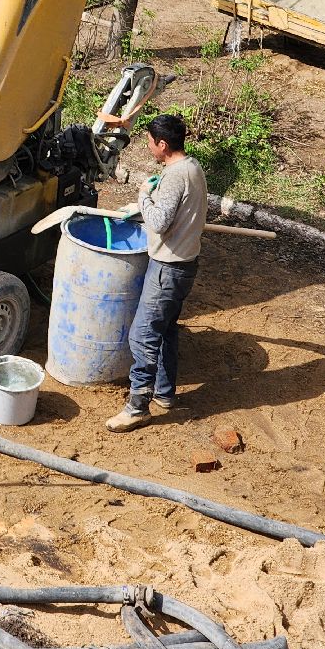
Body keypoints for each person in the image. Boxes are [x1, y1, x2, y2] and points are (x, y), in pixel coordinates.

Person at [106, 113, 207, 432]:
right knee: (165, 329)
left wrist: (143, 198)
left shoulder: (175, 176)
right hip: (184, 265)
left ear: (162, 144)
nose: (148, 146)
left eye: (150, 142)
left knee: (143, 336)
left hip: (168, 269)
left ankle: (138, 407)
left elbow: (159, 222)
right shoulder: (192, 168)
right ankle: (164, 393)